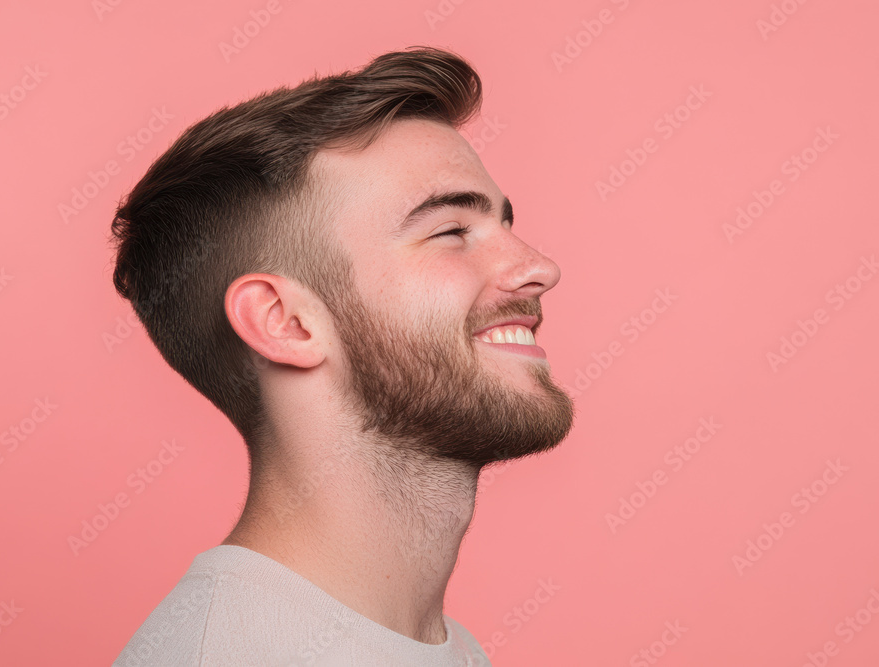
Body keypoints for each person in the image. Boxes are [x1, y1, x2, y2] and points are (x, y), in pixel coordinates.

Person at [110, 45, 574, 667]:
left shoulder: (438, 648)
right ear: (287, 323)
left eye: (503, 225)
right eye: (450, 231)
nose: (539, 268)